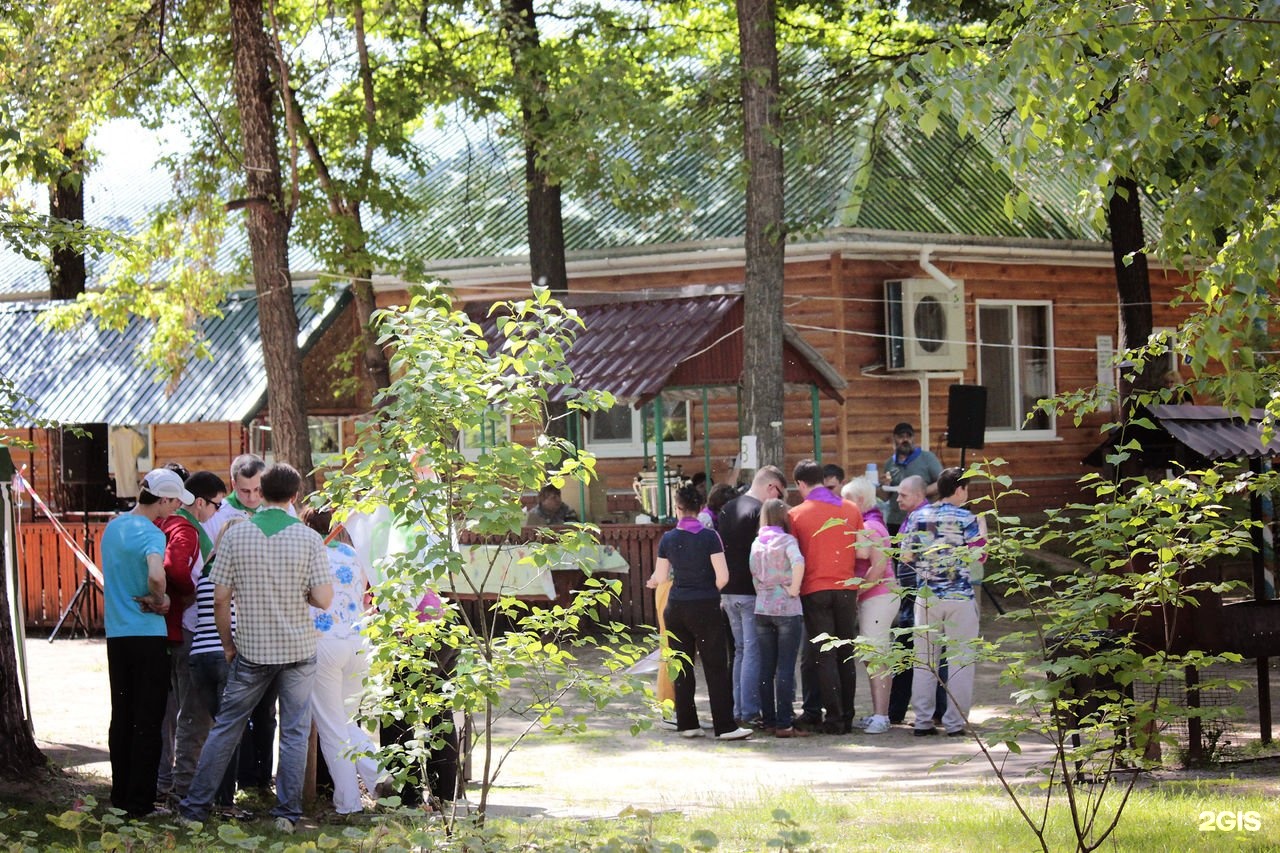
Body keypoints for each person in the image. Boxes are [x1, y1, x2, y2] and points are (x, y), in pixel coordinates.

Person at [179, 463, 334, 832]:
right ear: (294, 497)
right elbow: (325, 600)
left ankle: (195, 809)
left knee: (226, 727)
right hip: (297, 649)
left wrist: (227, 645)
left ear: (260, 493)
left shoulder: (235, 535)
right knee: (294, 731)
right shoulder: (309, 539)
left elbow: (219, 598)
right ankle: (286, 813)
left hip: (250, 650)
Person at [101, 468, 190, 818]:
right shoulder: (153, 534)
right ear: (164, 500)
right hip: (147, 636)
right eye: (174, 503)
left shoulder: (113, 526)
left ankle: (120, 796)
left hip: (116, 635)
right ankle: (141, 803)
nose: (175, 510)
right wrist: (161, 598)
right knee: (149, 721)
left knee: (121, 716)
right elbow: (156, 573)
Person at [646, 484, 752, 741]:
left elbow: (660, 577)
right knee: (715, 666)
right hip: (705, 606)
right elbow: (723, 577)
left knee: (682, 665)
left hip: (676, 607)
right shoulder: (709, 537)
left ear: (678, 508)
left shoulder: (668, 539)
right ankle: (725, 726)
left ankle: (687, 724)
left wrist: (653, 582)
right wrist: (706, 589)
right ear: (701, 507)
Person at [301, 505, 388, 816]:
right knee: (345, 722)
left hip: (324, 644)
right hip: (357, 641)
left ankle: (349, 804)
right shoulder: (353, 555)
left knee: (332, 728)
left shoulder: (311, 553)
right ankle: (378, 775)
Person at [207, 454, 278, 796]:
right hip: (232, 624)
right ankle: (235, 780)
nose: (251, 498)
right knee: (236, 709)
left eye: (257, 490)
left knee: (266, 710)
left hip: (269, 624)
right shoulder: (219, 517)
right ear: (232, 484)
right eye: (244, 490)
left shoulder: (277, 512)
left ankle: (260, 777)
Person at [900, 467, 987, 737]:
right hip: (960, 597)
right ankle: (954, 722)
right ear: (960, 490)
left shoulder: (918, 516)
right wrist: (983, 527)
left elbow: (905, 556)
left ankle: (923, 720)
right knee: (961, 661)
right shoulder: (967, 518)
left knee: (925, 660)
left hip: (927, 597)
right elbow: (979, 557)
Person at [160, 470, 227, 805]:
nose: (217, 511)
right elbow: (176, 569)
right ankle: (184, 790)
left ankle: (168, 783)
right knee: (194, 716)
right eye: (216, 504)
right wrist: (185, 596)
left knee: (176, 713)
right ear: (200, 502)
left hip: (177, 631)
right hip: (191, 631)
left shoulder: (171, 522)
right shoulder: (189, 527)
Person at [788, 459, 864, 734]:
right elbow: (862, 550)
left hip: (815, 588)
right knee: (846, 651)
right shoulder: (852, 509)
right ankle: (847, 715)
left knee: (825, 654)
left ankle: (833, 718)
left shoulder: (796, 514)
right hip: (846, 588)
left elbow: (793, 555)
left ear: (800, 484)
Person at [714, 466, 787, 728]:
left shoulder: (727, 507)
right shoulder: (760, 512)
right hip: (750, 591)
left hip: (727, 590)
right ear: (771, 487)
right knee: (752, 650)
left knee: (741, 651)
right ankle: (749, 711)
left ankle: (738, 707)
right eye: (779, 494)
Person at [154, 463, 198, 806]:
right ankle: (177, 784)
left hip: (151, 628)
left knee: (164, 709)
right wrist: (186, 594)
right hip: (178, 626)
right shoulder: (181, 528)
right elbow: (175, 568)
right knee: (184, 709)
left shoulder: (139, 524)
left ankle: (162, 779)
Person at [887, 475, 947, 725]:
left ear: (919, 495)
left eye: (903, 494)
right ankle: (898, 711)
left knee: (921, 653)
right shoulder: (914, 517)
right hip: (911, 595)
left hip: (919, 595)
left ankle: (935, 712)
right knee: (908, 651)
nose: (897, 498)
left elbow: (920, 558)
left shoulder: (924, 517)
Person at [748, 497, 808, 738]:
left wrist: (761, 592)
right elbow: (799, 562)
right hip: (787, 608)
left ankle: (769, 720)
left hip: (762, 608)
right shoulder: (787, 540)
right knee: (785, 668)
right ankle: (784, 723)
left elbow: (752, 572)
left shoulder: (756, 543)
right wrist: (794, 589)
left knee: (766, 668)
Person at [841, 478, 896, 734]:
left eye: (847, 499)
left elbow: (878, 567)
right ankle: (878, 712)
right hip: (874, 597)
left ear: (860, 500)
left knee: (876, 655)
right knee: (871, 655)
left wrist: (856, 591)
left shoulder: (871, 526)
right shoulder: (869, 524)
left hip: (878, 597)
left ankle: (881, 716)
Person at [881, 422, 942, 534]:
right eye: (901, 437)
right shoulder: (890, 463)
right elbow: (886, 497)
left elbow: (942, 482)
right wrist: (886, 485)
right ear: (894, 438)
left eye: (908, 436)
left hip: (923, 517)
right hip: (896, 520)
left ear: (913, 438)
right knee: (896, 551)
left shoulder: (927, 458)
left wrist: (922, 492)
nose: (905, 440)